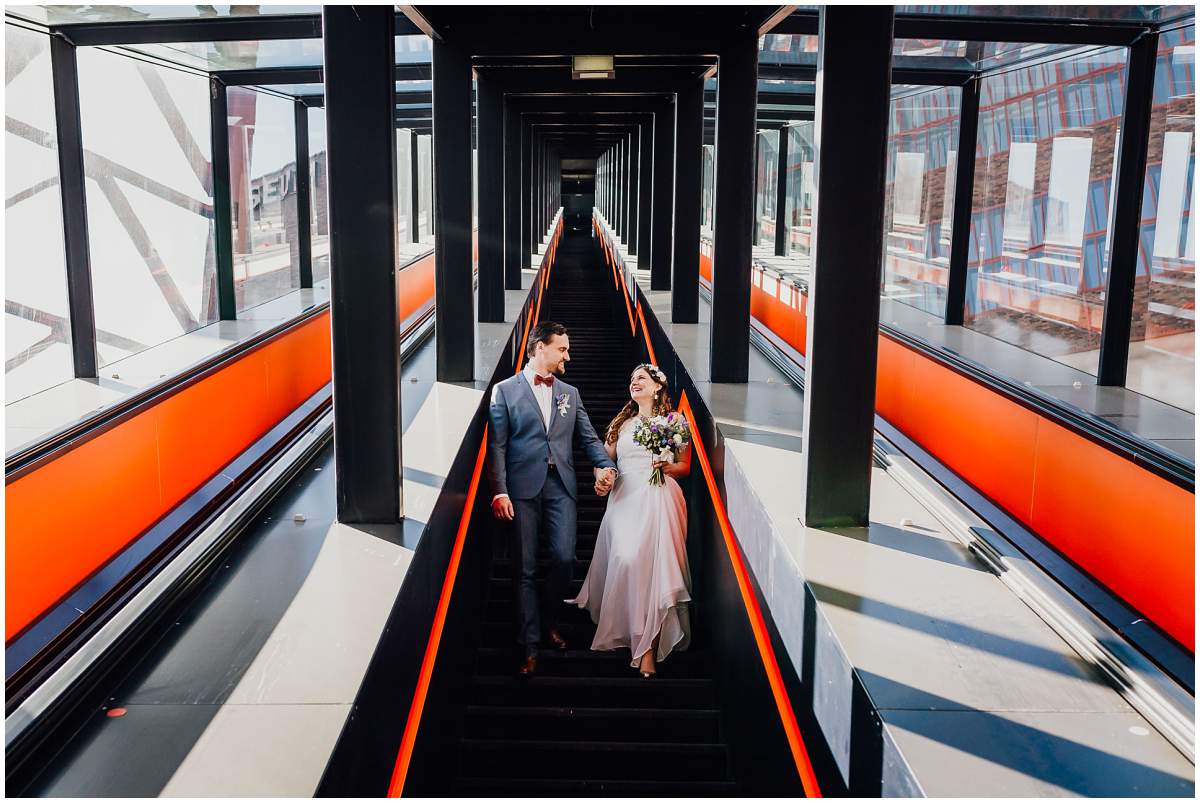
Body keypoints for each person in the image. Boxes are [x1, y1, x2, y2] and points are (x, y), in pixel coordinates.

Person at [487, 321, 617, 676]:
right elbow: (496, 445)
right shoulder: (504, 391)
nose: (568, 356)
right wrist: (500, 490)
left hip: (561, 486)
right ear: (539, 347)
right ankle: (529, 644)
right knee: (525, 567)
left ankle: (548, 621)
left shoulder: (569, 394)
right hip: (521, 489)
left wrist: (604, 465)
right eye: (562, 349)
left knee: (564, 558)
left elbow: (589, 438)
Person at [569, 364, 692, 679]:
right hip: (624, 498)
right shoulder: (621, 424)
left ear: (656, 387)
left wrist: (666, 464)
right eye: (631, 379)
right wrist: (602, 477)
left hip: (659, 496)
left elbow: (684, 466)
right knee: (626, 558)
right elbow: (602, 460)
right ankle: (632, 630)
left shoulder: (673, 421)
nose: (634, 382)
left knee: (652, 568)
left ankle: (647, 647)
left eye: (641, 378)